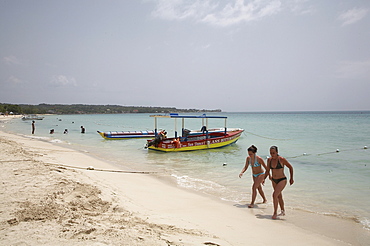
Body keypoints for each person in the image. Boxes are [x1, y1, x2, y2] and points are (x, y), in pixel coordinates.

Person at [264, 146, 294, 219]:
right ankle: (283, 211)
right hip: (274, 180)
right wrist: (264, 178)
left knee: (274, 195)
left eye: (273, 153)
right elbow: (267, 170)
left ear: (277, 152)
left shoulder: (281, 159)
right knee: (279, 196)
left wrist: (291, 178)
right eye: (271, 153)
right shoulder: (269, 160)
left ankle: (275, 213)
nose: (272, 154)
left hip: (282, 180)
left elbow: (290, 167)